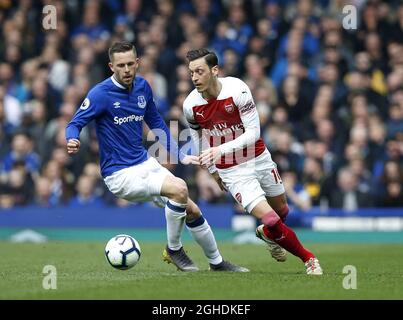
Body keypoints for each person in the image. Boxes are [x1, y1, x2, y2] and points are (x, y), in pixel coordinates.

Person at [65, 41, 247, 272]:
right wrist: (72, 138)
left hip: (144, 162)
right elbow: (75, 123)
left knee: (191, 209)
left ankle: (217, 263)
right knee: (179, 188)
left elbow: (156, 122)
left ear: (138, 63)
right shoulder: (100, 94)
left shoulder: (142, 87)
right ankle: (173, 249)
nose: (127, 69)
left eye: (131, 63)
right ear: (111, 66)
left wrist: (178, 154)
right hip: (119, 174)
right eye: (121, 65)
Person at [183, 48, 323, 275]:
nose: (195, 78)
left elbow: (253, 133)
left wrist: (219, 149)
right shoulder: (190, 105)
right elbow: (199, 141)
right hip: (232, 170)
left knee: (280, 212)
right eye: (191, 73)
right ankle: (309, 258)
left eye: (199, 71)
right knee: (270, 218)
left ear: (215, 70)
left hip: (258, 157)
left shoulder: (237, 89)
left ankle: (268, 235)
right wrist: (213, 170)